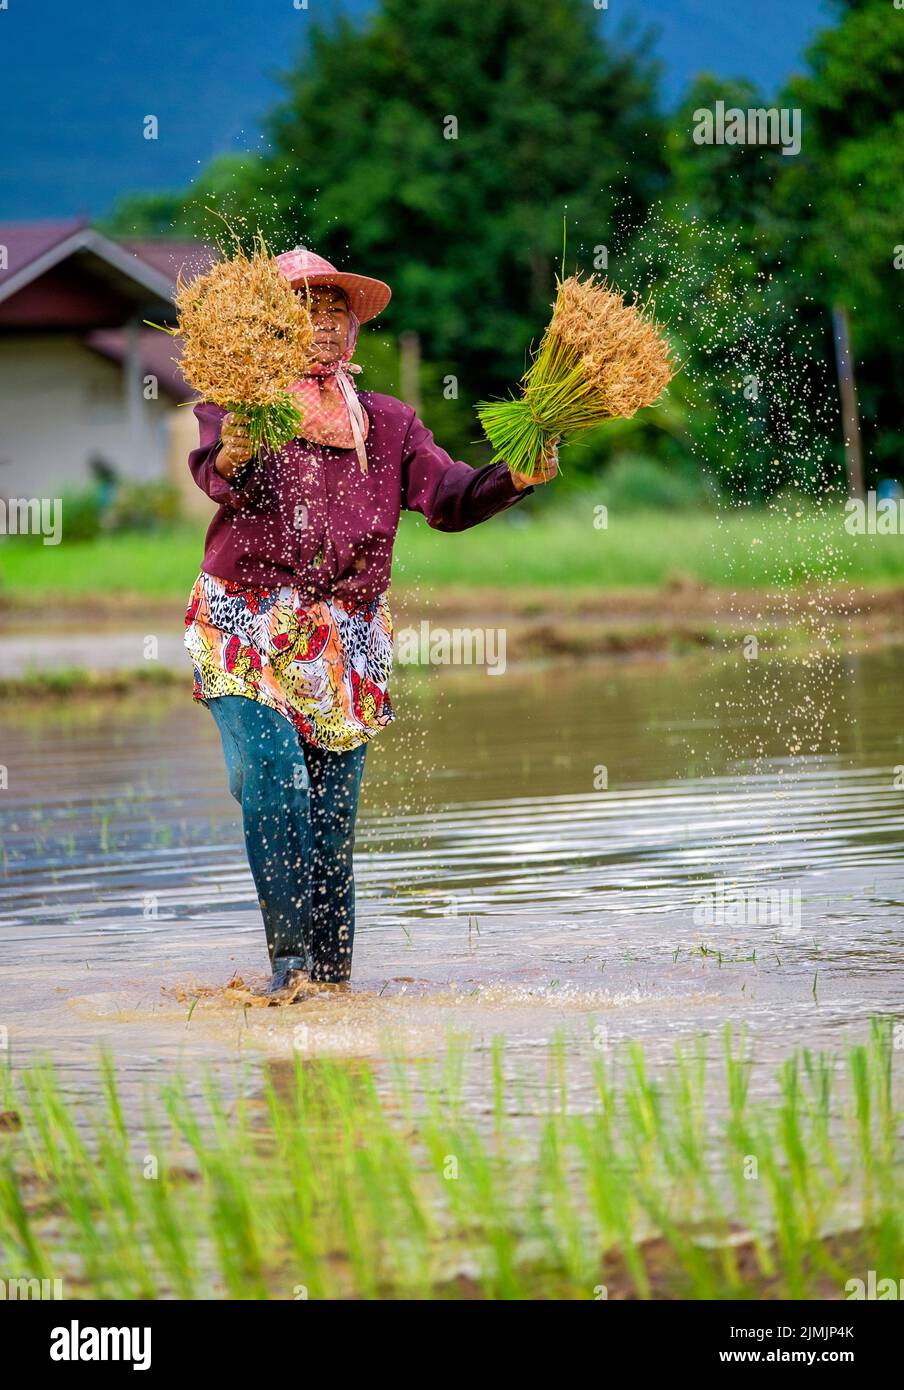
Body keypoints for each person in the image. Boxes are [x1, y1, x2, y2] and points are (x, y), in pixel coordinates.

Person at [184, 248, 558, 1000]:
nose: (322, 328)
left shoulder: (386, 424)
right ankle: (288, 969)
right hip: (245, 626)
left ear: (351, 331)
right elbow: (221, 474)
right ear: (268, 327)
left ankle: (333, 987)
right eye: (304, 314)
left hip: (344, 645)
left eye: (334, 315)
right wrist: (237, 448)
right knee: (272, 778)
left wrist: (514, 474)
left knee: (332, 823)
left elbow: (448, 497)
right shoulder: (238, 405)